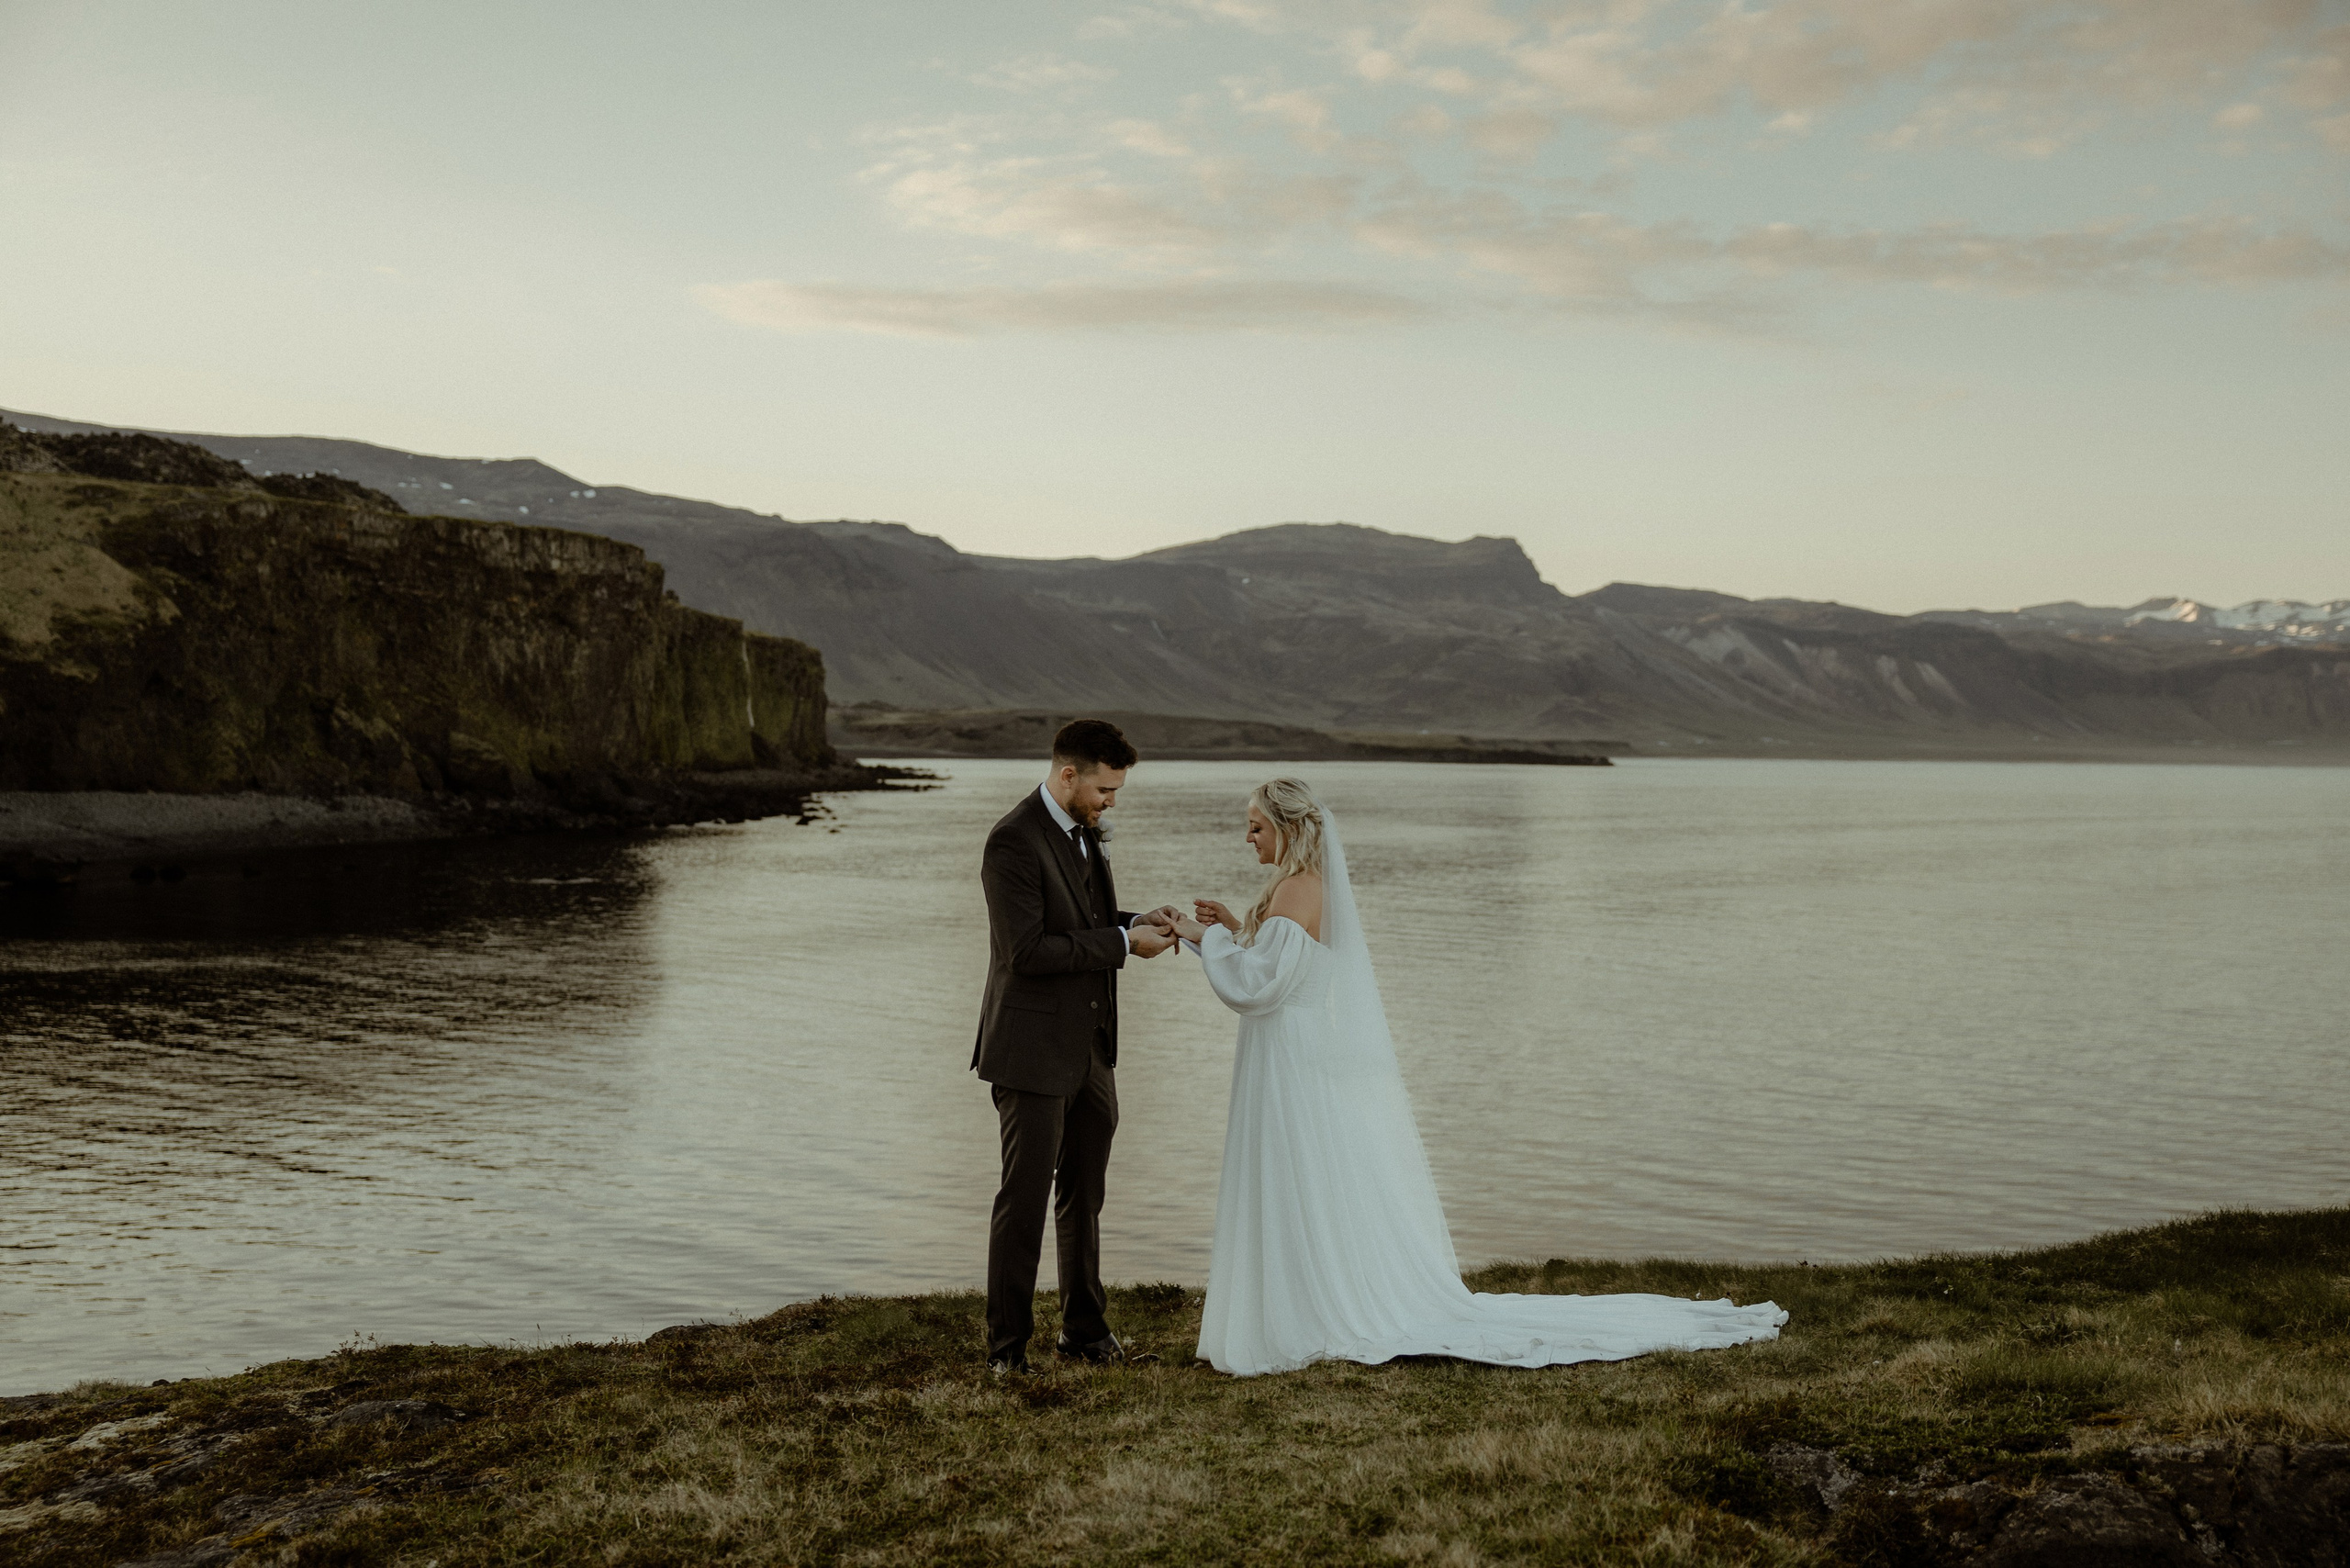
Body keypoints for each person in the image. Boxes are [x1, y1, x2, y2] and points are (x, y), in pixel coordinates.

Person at [1154, 777, 1789, 1377]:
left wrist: (1200, 936)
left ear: (1288, 828)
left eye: (1256, 826)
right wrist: (1226, 932)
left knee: (1293, 1169)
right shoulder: (1299, 886)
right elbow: (1280, 966)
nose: (1248, 837)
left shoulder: (1298, 888)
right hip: (1293, 1048)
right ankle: (1302, 1299)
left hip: (1289, 1055)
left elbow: (1261, 986)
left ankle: (1304, 1311)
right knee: (1301, 1172)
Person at [972, 719, 1182, 1374]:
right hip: (1031, 1050)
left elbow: (1082, 922)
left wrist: (1134, 920)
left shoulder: (1084, 832)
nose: (1110, 802)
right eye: (1104, 790)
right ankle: (1007, 1352)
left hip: (1091, 1048)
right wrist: (1122, 945)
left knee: (1084, 1195)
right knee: (1024, 1200)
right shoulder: (1012, 840)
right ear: (1068, 775)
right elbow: (1026, 950)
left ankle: (1084, 1332)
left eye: (1115, 791)